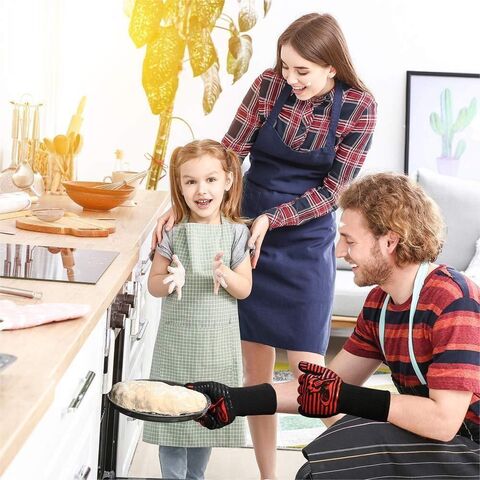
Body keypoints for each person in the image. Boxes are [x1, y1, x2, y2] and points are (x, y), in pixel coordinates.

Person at [153, 13, 377, 477]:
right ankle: (269, 475)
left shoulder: (359, 106)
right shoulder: (268, 86)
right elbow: (231, 150)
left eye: (302, 71)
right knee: (254, 376)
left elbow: (333, 190)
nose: (289, 79)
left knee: (311, 378)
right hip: (245, 233)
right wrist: (183, 199)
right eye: (285, 67)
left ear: (331, 66)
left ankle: (355, 460)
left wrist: (273, 219)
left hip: (304, 239)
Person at [187, 173, 480, 479]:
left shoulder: (452, 299)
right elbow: (322, 387)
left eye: (349, 240)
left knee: (325, 472)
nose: (339, 251)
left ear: (390, 241)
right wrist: (235, 400)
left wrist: (345, 397)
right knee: (323, 463)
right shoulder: (380, 304)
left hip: (470, 447)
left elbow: (443, 421)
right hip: (442, 442)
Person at [143, 139, 252, 480]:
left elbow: (245, 289)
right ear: (179, 186)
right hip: (176, 346)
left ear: (228, 181)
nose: (201, 190)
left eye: (210, 180)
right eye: (190, 181)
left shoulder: (236, 235)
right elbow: (153, 285)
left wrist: (226, 274)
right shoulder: (173, 234)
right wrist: (171, 279)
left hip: (215, 350)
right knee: (173, 423)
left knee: (205, 418)